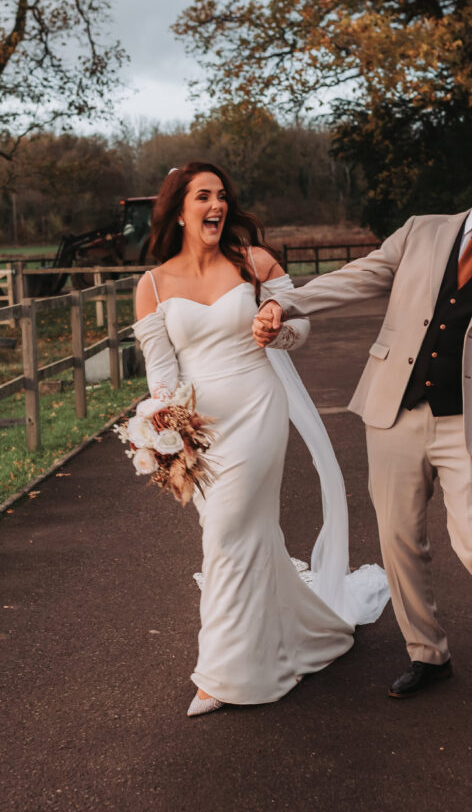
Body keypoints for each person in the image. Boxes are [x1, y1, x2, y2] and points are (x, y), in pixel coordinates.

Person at [253, 142, 472, 715]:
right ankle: (427, 654)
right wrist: (291, 304)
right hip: (394, 411)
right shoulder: (422, 230)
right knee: (399, 539)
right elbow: (360, 276)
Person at [133, 162, 388, 717]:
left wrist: (278, 328)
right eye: (204, 196)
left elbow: (299, 328)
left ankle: (222, 673)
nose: (217, 205)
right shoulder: (152, 285)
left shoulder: (256, 263)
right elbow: (160, 372)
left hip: (257, 406)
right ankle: (303, 631)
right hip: (197, 426)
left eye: (222, 195)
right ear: (180, 210)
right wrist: (164, 423)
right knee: (239, 532)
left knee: (226, 532)